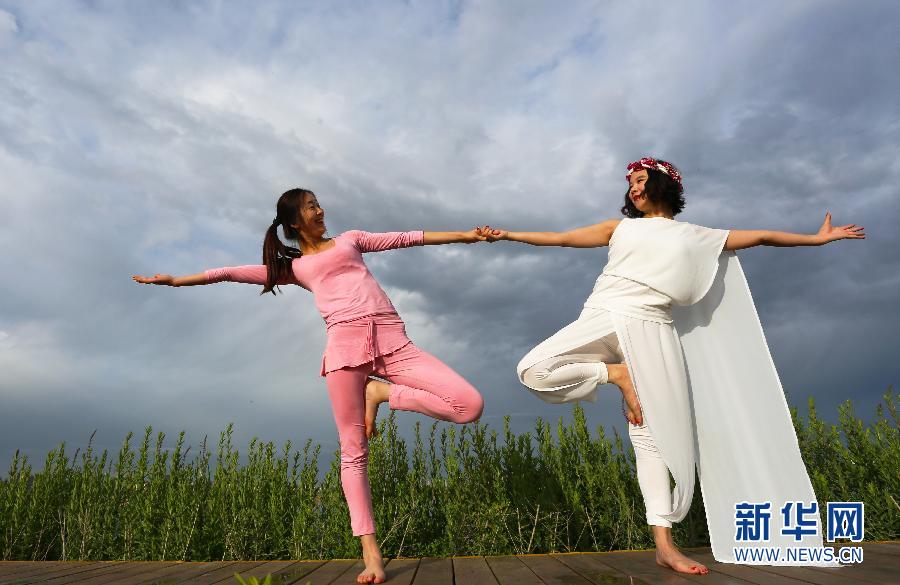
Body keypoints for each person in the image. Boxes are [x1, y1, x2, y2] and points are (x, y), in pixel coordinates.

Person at [481, 157, 864, 574]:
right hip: (607, 315)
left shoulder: (698, 236)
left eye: (641, 181)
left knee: (651, 439)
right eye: (630, 184)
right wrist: (509, 235)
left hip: (654, 329)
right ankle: (616, 375)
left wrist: (816, 239)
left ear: (662, 184)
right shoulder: (621, 228)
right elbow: (562, 238)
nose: (633, 189)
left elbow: (763, 236)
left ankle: (664, 545)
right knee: (533, 369)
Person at [134, 188, 486, 584]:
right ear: (293, 223)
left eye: (318, 204)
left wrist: (465, 236)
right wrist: (176, 281)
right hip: (344, 352)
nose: (320, 210)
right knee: (353, 453)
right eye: (311, 206)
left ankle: (382, 392)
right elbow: (230, 273)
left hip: (393, 343)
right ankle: (371, 554)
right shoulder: (295, 268)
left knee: (468, 405)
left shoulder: (351, 240)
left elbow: (408, 237)